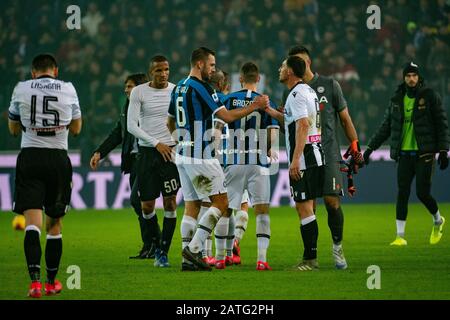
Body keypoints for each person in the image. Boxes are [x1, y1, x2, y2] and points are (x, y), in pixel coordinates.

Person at [167, 47, 268, 271]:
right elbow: (227, 116)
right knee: (221, 203)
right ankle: (193, 249)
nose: (214, 69)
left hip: (183, 155)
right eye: (211, 65)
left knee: (192, 206)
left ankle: (187, 262)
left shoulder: (179, 87)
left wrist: (181, 141)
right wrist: (255, 106)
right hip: (201, 154)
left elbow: (170, 122)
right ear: (200, 64)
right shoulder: (202, 87)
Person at [8, 53, 82, 297]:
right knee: (55, 224)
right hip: (57, 159)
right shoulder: (69, 89)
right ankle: (52, 283)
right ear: (56, 71)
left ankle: (34, 283)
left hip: (30, 156)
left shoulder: (21, 88)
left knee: (32, 224)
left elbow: (12, 128)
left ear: (33, 72)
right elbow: (77, 128)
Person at [287, 45, 364, 269]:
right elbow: (292, 125)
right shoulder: (292, 90)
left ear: (308, 62)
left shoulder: (330, 85)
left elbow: (345, 118)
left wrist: (355, 147)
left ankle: (337, 247)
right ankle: (310, 257)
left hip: (329, 153)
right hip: (305, 156)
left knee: (331, 202)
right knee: (306, 205)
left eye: (299, 61)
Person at [363, 62, 449, 245]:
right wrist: (369, 149)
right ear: (404, 78)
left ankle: (438, 220)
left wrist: (443, 150)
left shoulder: (430, 96)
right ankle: (400, 236)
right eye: (408, 75)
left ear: (419, 78)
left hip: (424, 153)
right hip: (404, 155)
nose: (411, 78)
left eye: (414, 75)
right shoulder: (396, 99)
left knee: (422, 193)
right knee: (402, 192)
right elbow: (386, 127)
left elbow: (441, 124)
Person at [264, 56, 324, 271]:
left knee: (304, 208)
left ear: (290, 71)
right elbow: (291, 120)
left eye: (282, 66)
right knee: (306, 208)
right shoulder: (306, 91)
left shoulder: (297, 94)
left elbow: (302, 125)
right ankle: (310, 258)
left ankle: (310, 260)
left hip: (305, 157)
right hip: (313, 154)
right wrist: (270, 111)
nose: (279, 69)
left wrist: (295, 160)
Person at [219, 62, 279, 270]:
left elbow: (218, 127)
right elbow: (272, 134)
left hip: (233, 161)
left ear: (241, 79)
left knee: (226, 210)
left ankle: (222, 256)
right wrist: (267, 149)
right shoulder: (265, 102)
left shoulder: (228, 99)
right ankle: (262, 260)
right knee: (261, 211)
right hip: (258, 162)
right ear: (259, 79)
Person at [90, 73, 157, 260]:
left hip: (149, 159)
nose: (126, 90)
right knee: (139, 203)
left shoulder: (150, 106)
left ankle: (155, 242)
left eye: (130, 86)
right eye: (126, 86)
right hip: (134, 161)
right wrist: (100, 152)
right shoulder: (127, 106)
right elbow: (118, 134)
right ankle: (149, 245)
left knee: (139, 201)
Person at [127, 55, 181, 267]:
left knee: (170, 202)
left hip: (171, 154)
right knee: (147, 207)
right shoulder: (139, 92)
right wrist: (156, 142)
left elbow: (181, 120)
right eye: (159, 70)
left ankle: (163, 252)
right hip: (148, 154)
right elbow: (132, 126)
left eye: (166, 69)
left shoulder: (176, 91)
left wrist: (178, 144)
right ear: (151, 72)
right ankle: (157, 244)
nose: (163, 74)